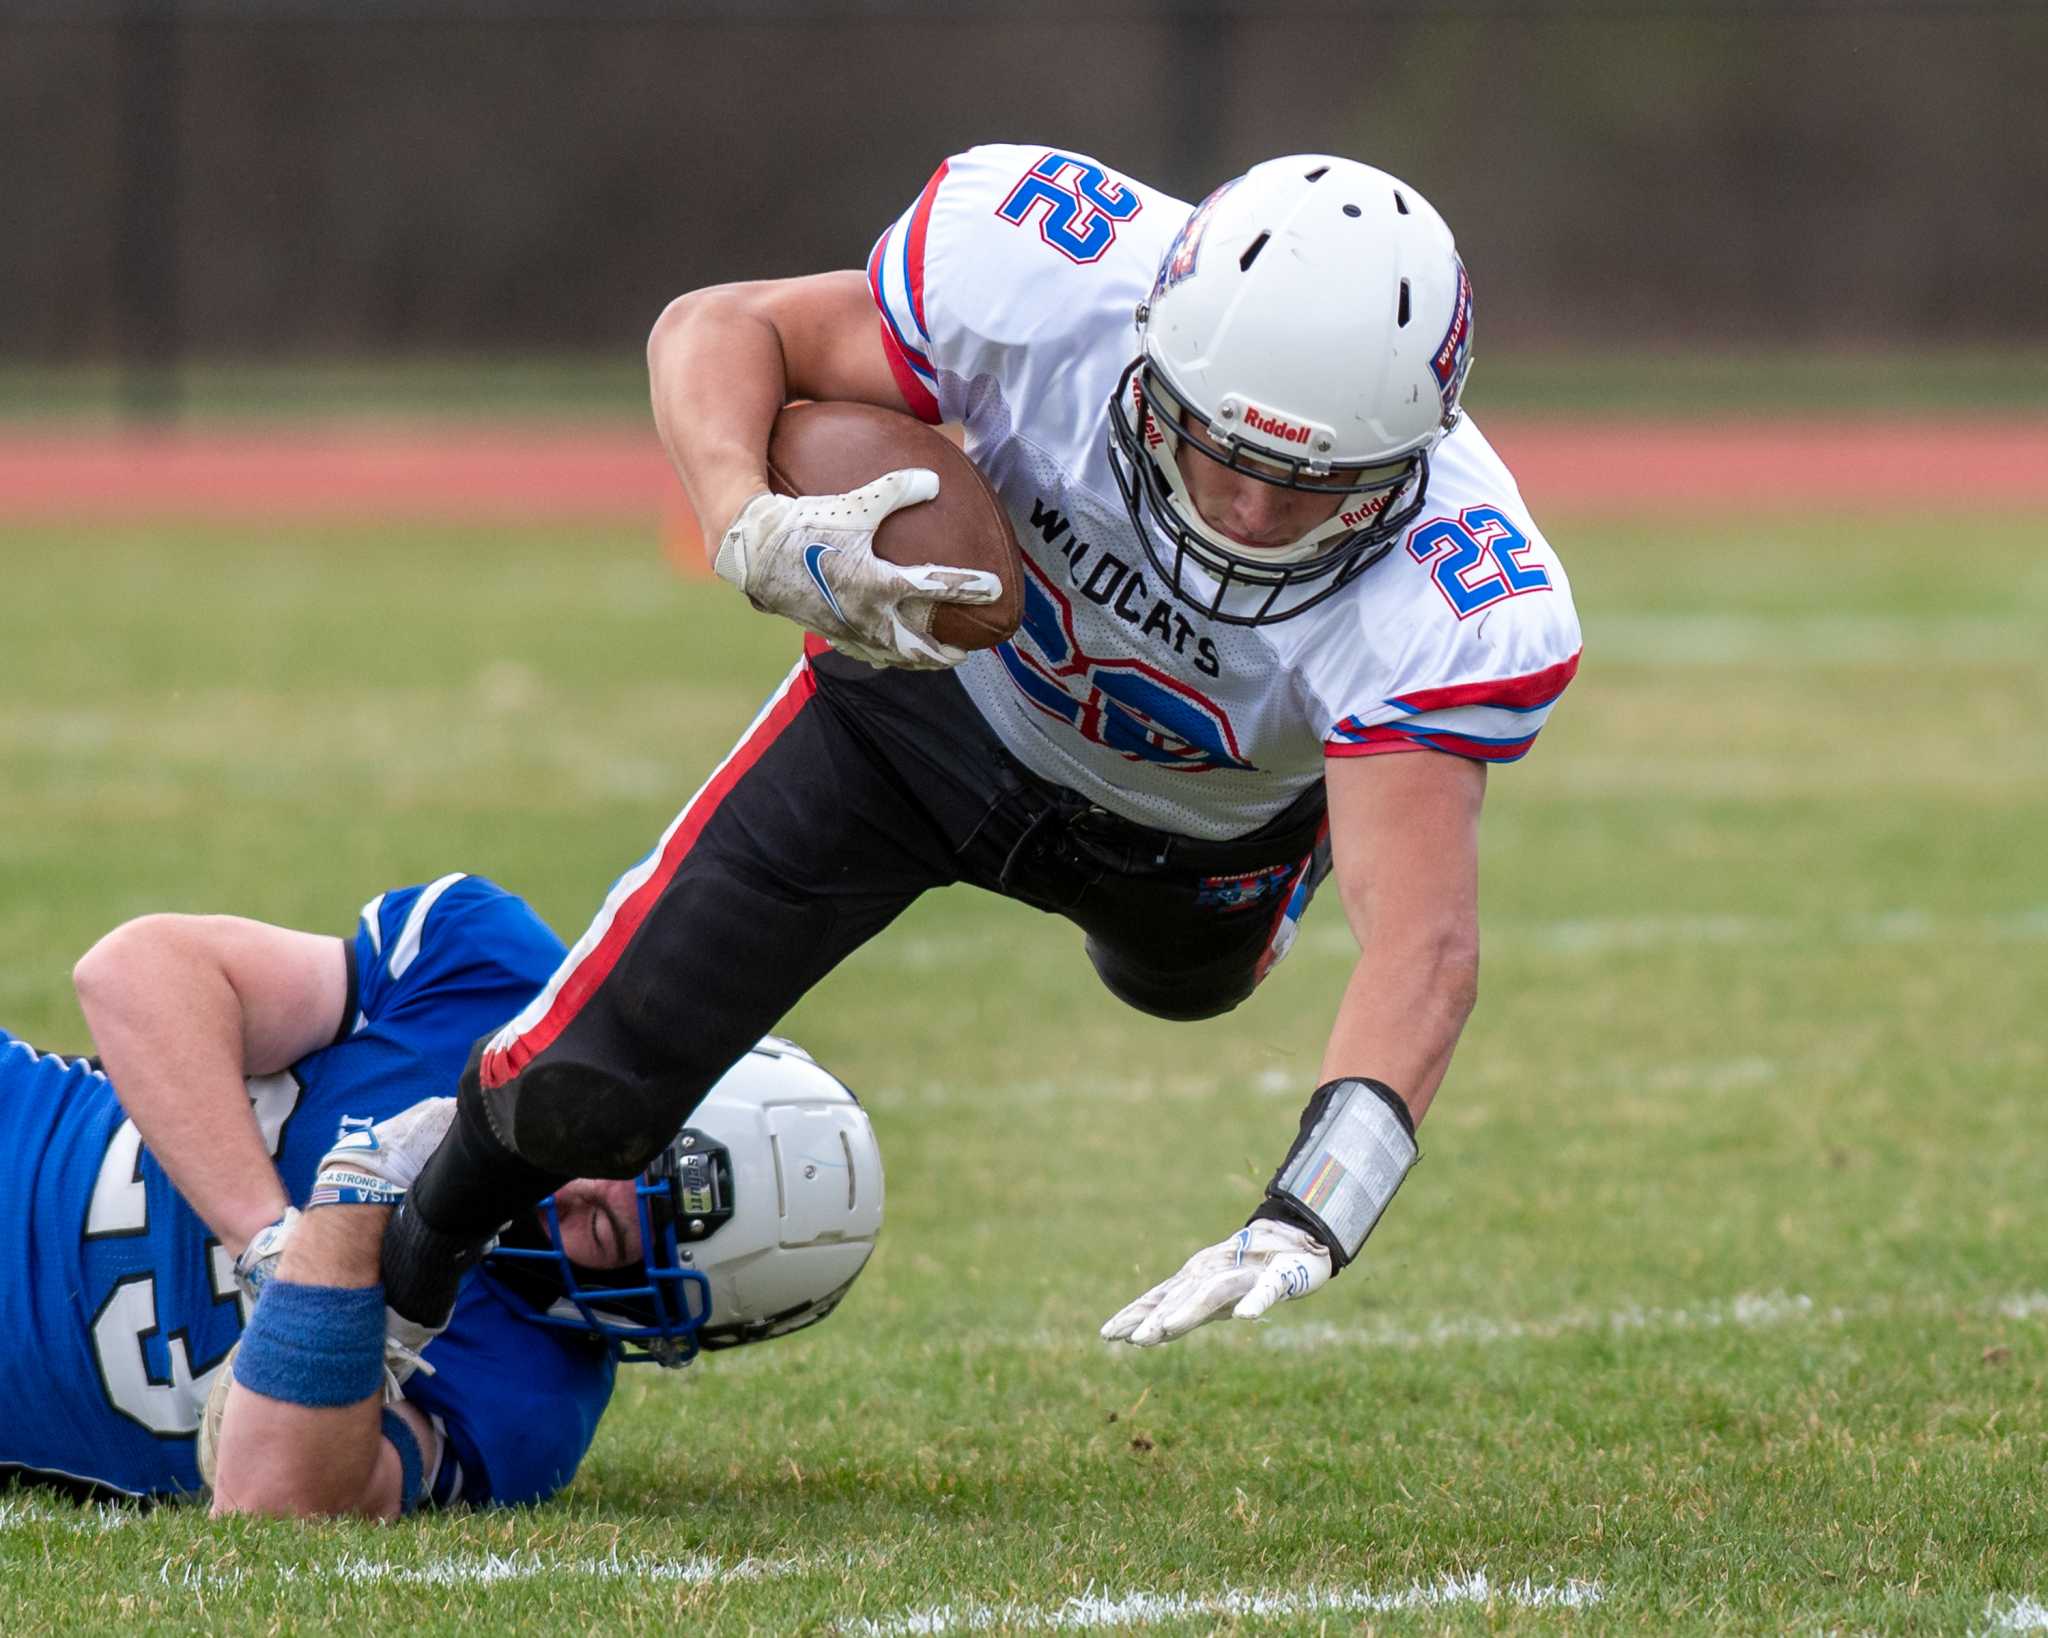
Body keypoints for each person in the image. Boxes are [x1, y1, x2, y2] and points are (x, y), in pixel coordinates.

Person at [378, 147, 1582, 1352]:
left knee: (1182, 988)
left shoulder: (1457, 586)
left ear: (1403, 464)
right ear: (1153, 349)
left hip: (1201, 844)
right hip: (921, 714)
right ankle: (392, 1285)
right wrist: (744, 522)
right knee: (584, 1084)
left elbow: (1423, 950)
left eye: (1311, 485)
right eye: (1222, 451)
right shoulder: (1048, 276)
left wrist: (1307, 1216)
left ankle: (1282, 855)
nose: (1252, 515)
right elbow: (723, 327)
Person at [0, 873, 880, 1514]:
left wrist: (335, 1266)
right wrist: (267, 1238)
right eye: (612, 1139)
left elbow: (268, 1504)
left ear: (651, 1315)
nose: (568, 1184)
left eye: (607, 1233)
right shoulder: (489, 974)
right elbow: (133, 973)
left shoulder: (525, 1407)